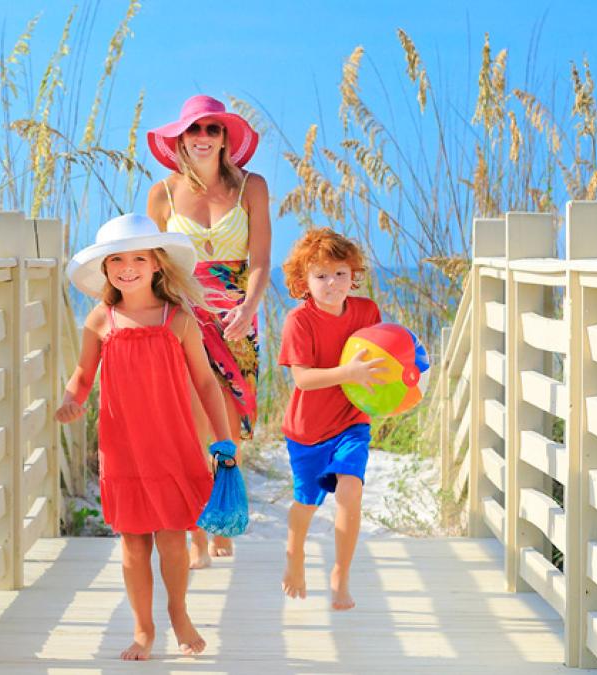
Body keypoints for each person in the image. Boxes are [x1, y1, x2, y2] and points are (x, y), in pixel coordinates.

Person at [55, 213, 235, 660]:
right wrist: (71, 399)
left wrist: (223, 439)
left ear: (157, 264)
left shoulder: (179, 320)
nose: (127, 266)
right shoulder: (101, 319)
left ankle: (178, 611)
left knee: (173, 537)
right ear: (105, 268)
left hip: (172, 446)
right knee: (133, 543)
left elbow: (208, 383)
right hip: (123, 449)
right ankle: (142, 629)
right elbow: (82, 374)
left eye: (138, 257)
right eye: (117, 259)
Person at [146, 94, 270, 565]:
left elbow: (259, 261)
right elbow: (152, 265)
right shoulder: (162, 192)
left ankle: (224, 518)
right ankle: (199, 531)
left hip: (237, 318)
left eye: (211, 130)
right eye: (193, 130)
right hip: (182, 317)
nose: (202, 138)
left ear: (225, 139)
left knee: (228, 427)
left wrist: (249, 305)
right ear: (180, 138)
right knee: (192, 425)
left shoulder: (251, 188)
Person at [277, 228, 385, 611]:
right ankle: (295, 555)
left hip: (352, 421)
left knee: (349, 489)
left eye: (340, 273)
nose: (332, 283)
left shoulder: (366, 311)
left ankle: (341, 573)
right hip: (307, 431)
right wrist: (348, 373)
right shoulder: (299, 321)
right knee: (306, 502)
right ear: (302, 281)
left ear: (353, 274)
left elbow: (384, 355)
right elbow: (303, 378)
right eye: (320, 275)